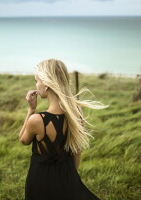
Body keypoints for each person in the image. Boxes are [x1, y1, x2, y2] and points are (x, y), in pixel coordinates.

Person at [18, 58, 109, 200]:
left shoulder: (36, 120)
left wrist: (31, 109)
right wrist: (70, 178)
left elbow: (23, 140)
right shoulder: (76, 113)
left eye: (37, 81)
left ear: (46, 84)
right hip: (68, 177)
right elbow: (77, 151)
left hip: (40, 180)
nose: (36, 85)